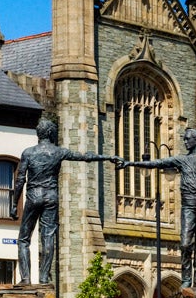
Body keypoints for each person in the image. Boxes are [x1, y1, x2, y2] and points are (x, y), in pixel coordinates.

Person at [11, 119, 121, 284]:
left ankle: (25, 278)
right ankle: (43, 278)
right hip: (51, 197)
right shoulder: (58, 152)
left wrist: (14, 203)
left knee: (24, 239)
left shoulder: (28, 153)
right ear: (49, 133)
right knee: (47, 237)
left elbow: (20, 180)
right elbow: (84, 157)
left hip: (34, 196)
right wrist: (108, 157)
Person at [122, 128, 196, 287]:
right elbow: (158, 163)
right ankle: (186, 279)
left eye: (187, 138)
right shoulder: (181, 160)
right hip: (188, 205)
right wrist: (132, 163)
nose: (184, 141)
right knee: (185, 243)